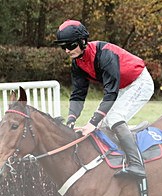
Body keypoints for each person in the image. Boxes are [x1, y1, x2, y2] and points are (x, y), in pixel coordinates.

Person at [55, 20, 154, 178]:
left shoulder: (105, 54)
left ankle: (137, 165)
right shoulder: (77, 63)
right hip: (123, 87)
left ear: (82, 41)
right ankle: (121, 156)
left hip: (139, 82)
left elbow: (110, 93)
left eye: (71, 45)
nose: (67, 50)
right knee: (104, 125)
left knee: (113, 118)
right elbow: (78, 94)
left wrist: (92, 123)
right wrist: (71, 120)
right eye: (63, 46)